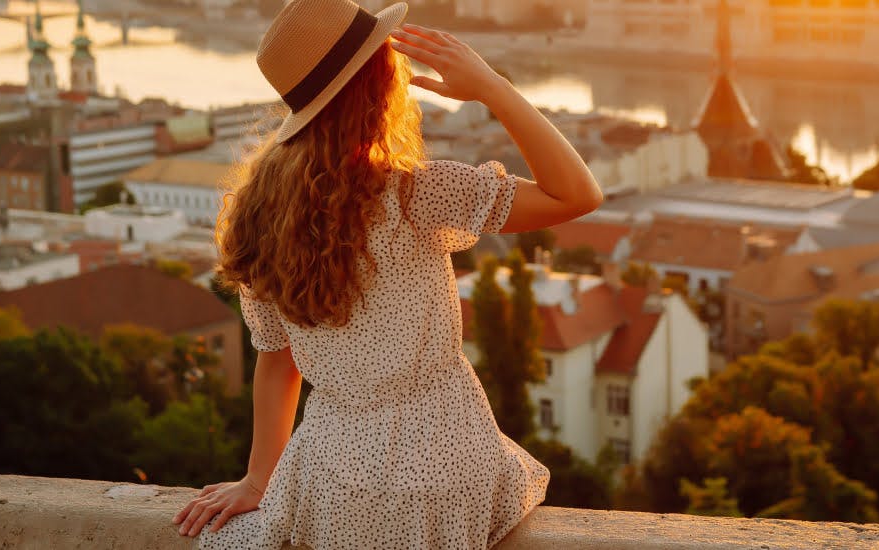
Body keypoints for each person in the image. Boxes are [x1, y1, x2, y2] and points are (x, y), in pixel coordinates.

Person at [173, 0, 602, 547]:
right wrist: (493, 87)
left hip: (333, 480)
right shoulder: (413, 194)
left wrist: (260, 479)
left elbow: (277, 365)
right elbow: (578, 194)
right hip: (443, 470)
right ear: (381, 87)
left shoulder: (255, 217)